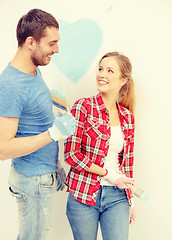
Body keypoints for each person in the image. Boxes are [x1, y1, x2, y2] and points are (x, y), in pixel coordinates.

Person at [0, 9, 76, 240]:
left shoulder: (33, 70)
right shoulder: (12, 85)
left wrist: (55, 164)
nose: (57, 49)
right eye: (52, 43)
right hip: (32, 183)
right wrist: (53, 134)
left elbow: (30, 120)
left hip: (43, 175)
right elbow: (3, 149)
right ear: (31, 42)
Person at [64, 51, 136, 240]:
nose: (102, 74)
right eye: (100, 69)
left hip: (117, 196)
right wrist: (109, 174)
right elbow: (72, 155)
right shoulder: (83, 107)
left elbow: (127, 165)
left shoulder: (128, 118)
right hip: (83, 193)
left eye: (110, 71)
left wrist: (131, 201)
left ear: (123, 80)